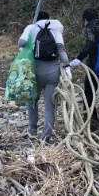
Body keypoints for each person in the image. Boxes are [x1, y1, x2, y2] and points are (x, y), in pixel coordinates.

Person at [19, 11, 70, 142]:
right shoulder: (56, 29)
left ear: (37, 19)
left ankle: (32, 129)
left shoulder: (31, 27)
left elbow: (21, 43)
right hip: (53, 72)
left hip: (35, 70)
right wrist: (67, 67)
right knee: (49, 106)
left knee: (32, 100)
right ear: (49, 19)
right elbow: (61, 49)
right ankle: (46, 137)